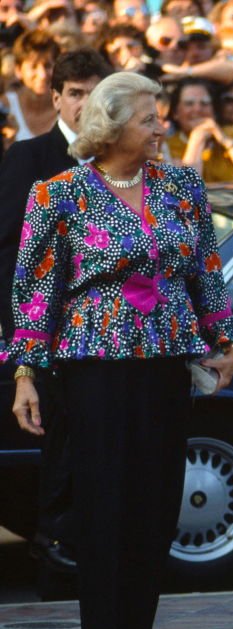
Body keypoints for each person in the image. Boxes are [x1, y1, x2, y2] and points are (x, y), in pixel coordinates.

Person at [6, 71, 233, 629]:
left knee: (156, 504)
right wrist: (26, 375)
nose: (161, 127)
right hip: (94, 370)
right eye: (149, 119)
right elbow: (34, 291)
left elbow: (206, 272)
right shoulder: (57, 194)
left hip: (166, 363)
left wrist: (226, 339)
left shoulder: (183, 187)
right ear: (111, 127)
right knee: (106, 503)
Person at [0, 47, 111, 582]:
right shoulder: (28, 157)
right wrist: (23, 341)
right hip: (45, 337)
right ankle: (55, 560)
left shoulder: (124, 161)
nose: (86, 103)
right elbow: (10, 256)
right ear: (57, 98)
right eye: (76, 92)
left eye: (96, 91)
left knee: (98, 456)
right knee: (56, 453)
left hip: (110, 337)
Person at [166, 77, 233, 182]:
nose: (197, 109)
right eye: (189, 103)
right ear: (175, 113)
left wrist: (224, 140)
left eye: (205, 103)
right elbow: (187, 189)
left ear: (214, 110)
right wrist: (197, 140)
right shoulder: (169, 146)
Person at [1, 29, 61, 142]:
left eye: (47, 66)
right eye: (33, 67)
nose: (42, 75)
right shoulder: (5, 106)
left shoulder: (67, 109)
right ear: (18, 70)